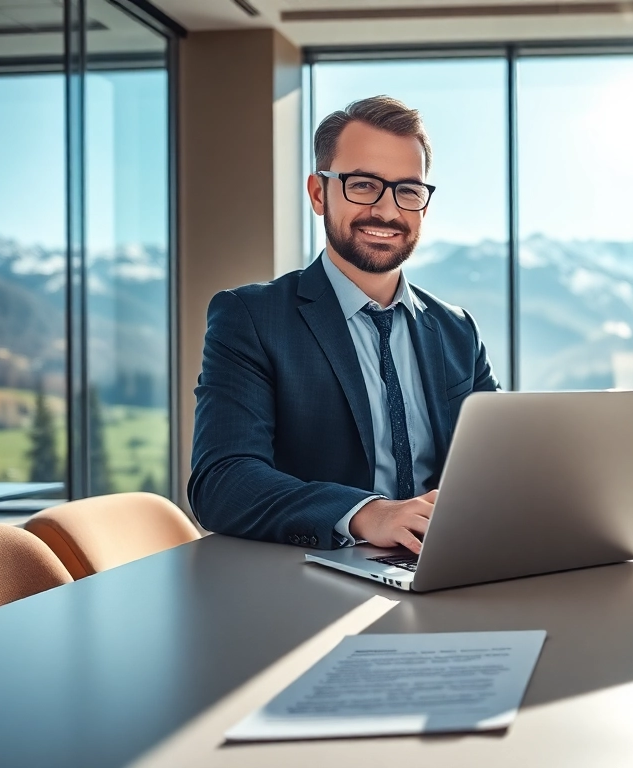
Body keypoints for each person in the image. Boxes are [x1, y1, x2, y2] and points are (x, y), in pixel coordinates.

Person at [189, 96, 499, 552]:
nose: (388, 211)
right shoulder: (251, 318)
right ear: (319, 193)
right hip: (312, 579)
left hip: (443, 564)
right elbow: (223, 480)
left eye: (408, 190)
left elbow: (496, 466)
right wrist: (366, 513)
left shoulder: (457, 330)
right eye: (363, 185)